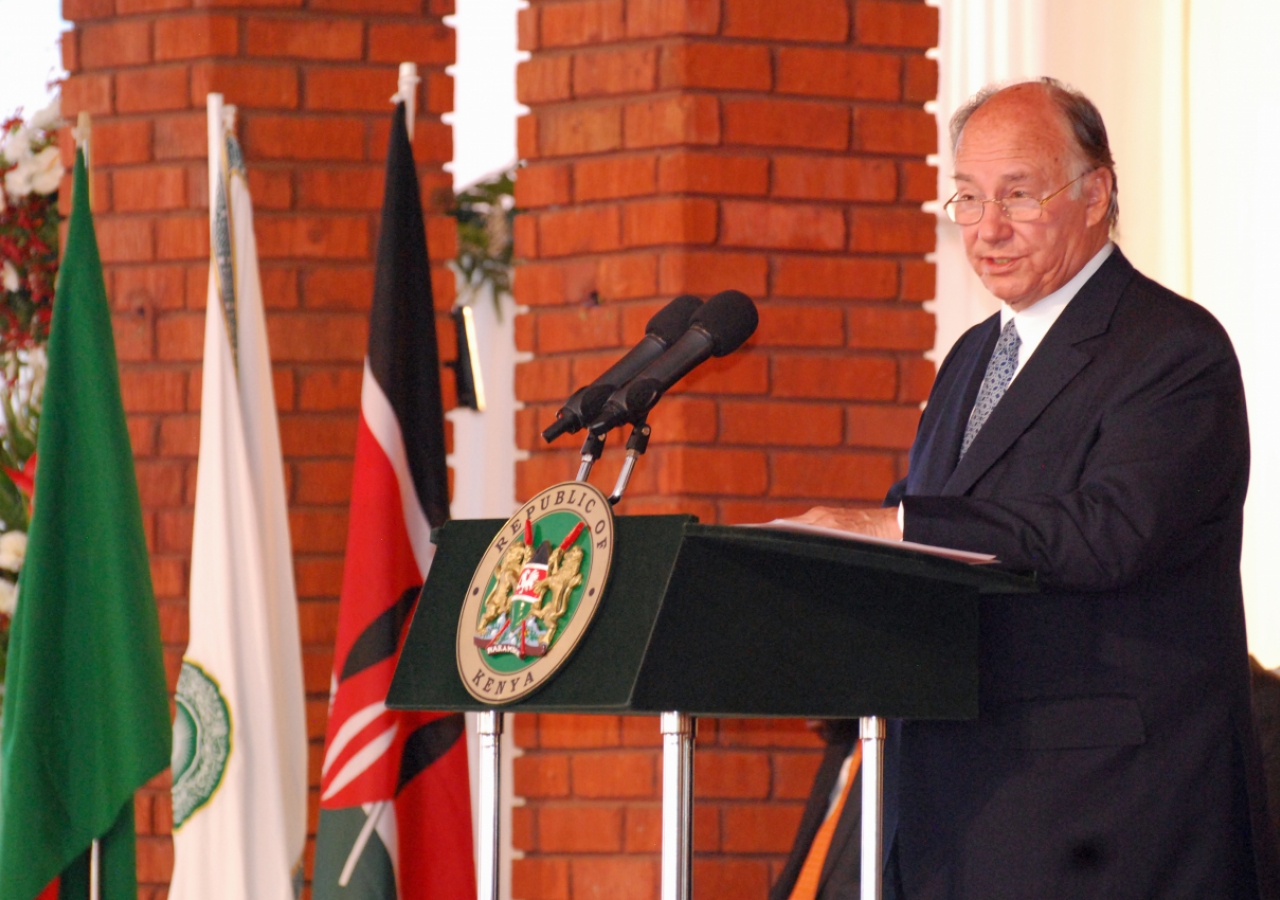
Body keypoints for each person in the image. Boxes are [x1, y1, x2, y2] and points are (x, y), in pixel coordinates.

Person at [791, 78, 1280, 899]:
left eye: (1017, 195)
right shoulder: (969, 363)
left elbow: (1111, 530)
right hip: (956, 809)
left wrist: (899, 524)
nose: (989, 229)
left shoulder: (1173, 350)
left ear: (1096, 194)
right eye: (969, 199)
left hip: (1110, 819)